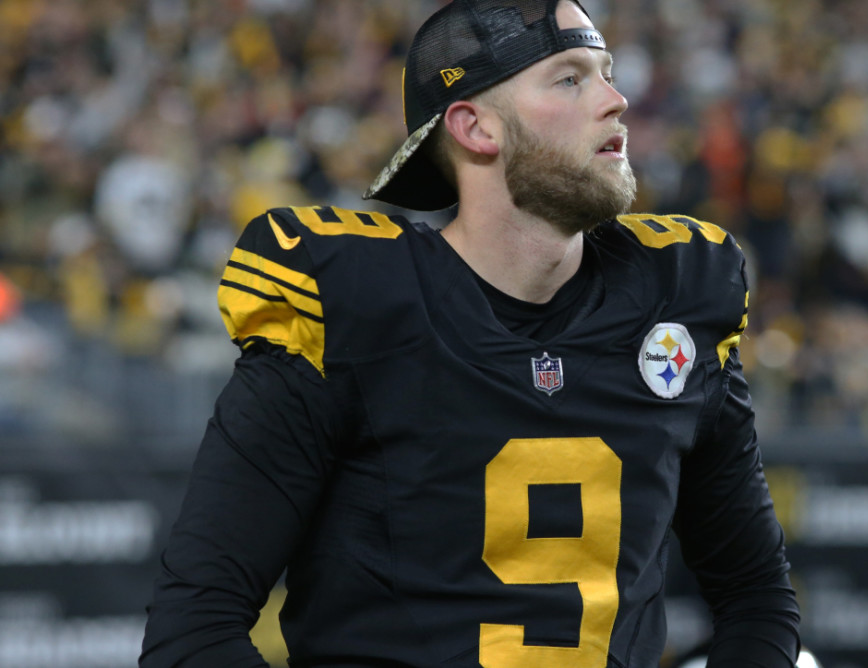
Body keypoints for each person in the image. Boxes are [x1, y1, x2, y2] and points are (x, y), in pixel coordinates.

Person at [140, 0, 802, 666]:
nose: (616, 100)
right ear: (475, 126)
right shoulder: (354, 306)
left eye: (607, 72)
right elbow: (194, 629)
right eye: (570, 78)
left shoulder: (678, 293)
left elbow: (757, 597)